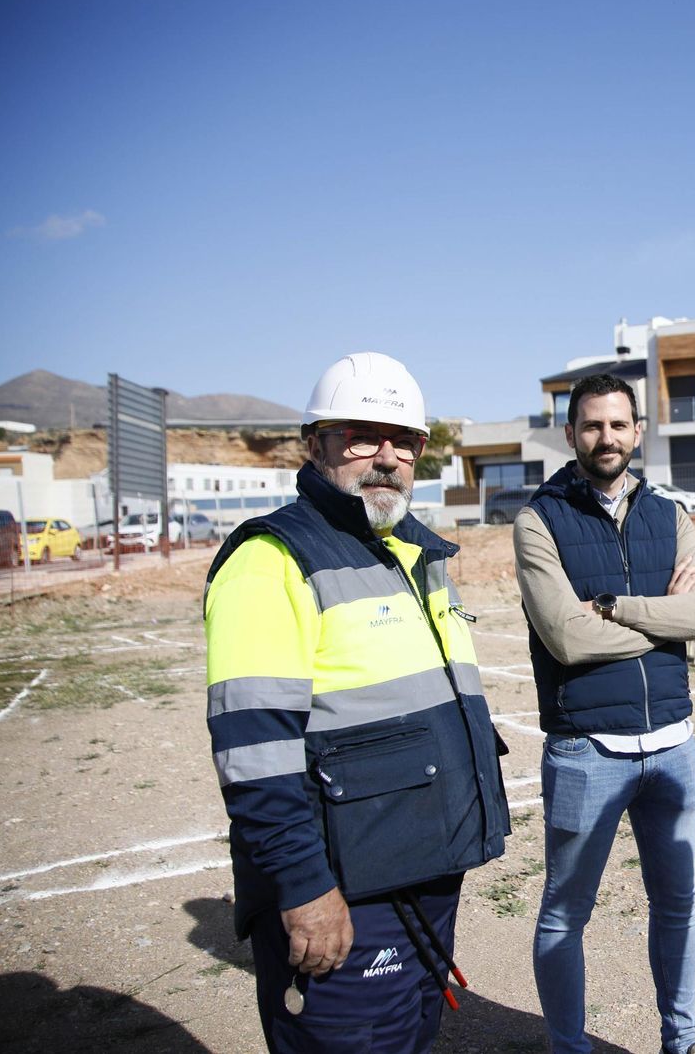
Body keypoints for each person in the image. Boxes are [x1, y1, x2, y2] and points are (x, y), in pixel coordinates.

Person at [205, 352, 511, 1053]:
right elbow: (255, 754)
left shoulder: (414, 552)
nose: (385, 456)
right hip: (344, 892)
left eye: (402, 441)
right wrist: (306, 889)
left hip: (425, 871)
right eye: (361, 436)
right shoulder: (273, 559)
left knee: (408, 1037)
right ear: (316, 444)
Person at [514, 373, 695, 1054]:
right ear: (571, 434)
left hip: (674, 746)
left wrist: (614, 606)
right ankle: (570, 1048)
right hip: (586, 750)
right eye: (593, 425)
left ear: (638, 432)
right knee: (565, 915)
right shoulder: (538, 519)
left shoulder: (670, 515)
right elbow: (566, 638)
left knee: (678, 907)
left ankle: (681, 1042)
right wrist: (667, 621)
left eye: (618, 424)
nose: (607, 437)